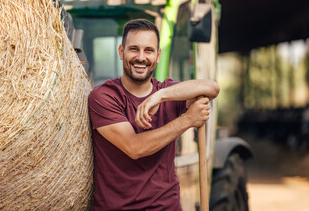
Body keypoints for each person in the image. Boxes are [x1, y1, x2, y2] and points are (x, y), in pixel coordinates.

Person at [88, 19, 220, 210]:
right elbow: (134, 147)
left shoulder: (166, 92)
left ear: (157, 56)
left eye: (149, 50)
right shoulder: (103, 96)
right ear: (121, 52)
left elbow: (212, 87)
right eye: (134, 49)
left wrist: (159, 95)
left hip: (166, 206)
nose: (141, 57)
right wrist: (187, 120)